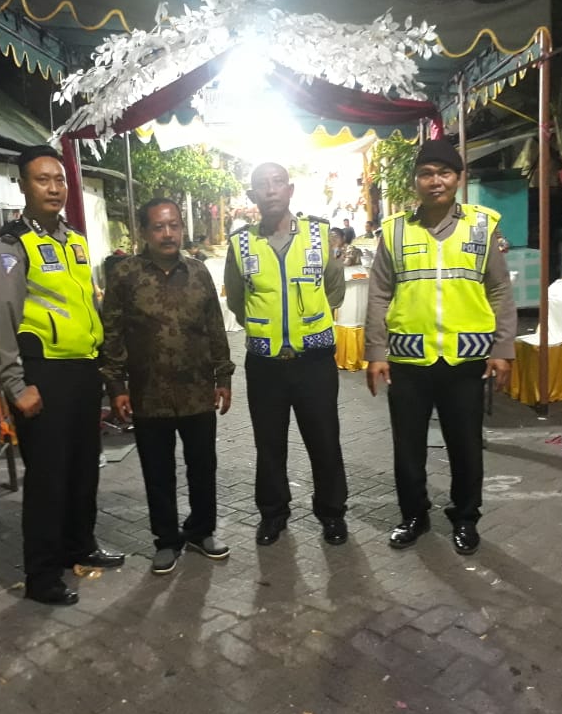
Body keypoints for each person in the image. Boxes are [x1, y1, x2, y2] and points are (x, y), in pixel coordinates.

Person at [0, 145, 125, 606]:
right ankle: (42, 575)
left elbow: (87, 304)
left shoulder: (75, 241)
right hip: (42, 375)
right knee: (47, 479)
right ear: (23, 185)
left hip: (83, 372)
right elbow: (0, 322)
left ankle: (80, 546)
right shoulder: (8, 248)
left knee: (83, 469)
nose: (54, 188)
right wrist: (15, 385)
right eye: (42, 179)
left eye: (59, 179)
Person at [364, 139, 516, 556]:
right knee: (408, 448)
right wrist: (376, 352)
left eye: (444, 173)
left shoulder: (482, 226)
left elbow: (500, 290)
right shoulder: (395, 230)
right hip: (408, 360)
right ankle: (414, 515)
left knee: (465, 446)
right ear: (415, 181)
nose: (436, 181)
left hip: (466, 360)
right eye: (427, 174)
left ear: (459, 178)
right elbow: (378, 294)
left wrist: (503, 348)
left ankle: (465, 518)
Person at [101, 198, 235, 575]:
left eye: (174, 225)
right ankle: (166, 540)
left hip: (197, 392)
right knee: (157, 472)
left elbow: (215, 327)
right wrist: (116, 386)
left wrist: (223, 377)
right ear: (144, 231)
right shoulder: (125, 275)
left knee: (202, 467)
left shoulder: (198, 272)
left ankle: (201, 531)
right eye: (159, 227)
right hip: (148, 395)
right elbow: (112, 333)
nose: (168, 233)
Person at [224, 162, 349, 546]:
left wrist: (304, 325)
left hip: (314, 363)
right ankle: (273, 514)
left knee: (324, 441)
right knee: (269, 445)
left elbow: (334, 290)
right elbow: (237, 300)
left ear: (290, 190)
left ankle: (332, 513)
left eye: (278, 182)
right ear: (252, 196)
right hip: (265, 365)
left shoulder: (320, 234)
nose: (271, 190)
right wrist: (267, 328)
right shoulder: (241, 244)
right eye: (262, 185)